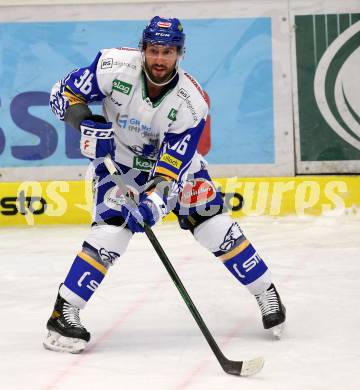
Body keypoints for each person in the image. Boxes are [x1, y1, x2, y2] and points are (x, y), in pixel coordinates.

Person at [44, 16, 286, 353]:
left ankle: (265, 292)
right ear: (142, 48)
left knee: (215, 226)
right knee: (111, 232)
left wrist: (154, 203)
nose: (160, 59)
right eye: (154, 50)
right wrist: (84, 122)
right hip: (119, 166)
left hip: (172, 171)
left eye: (168, 52)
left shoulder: (192, 103)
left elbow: (174, 169)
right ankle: (64, 313)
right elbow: (62, 93)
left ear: (180, 54)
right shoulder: (112, 65)